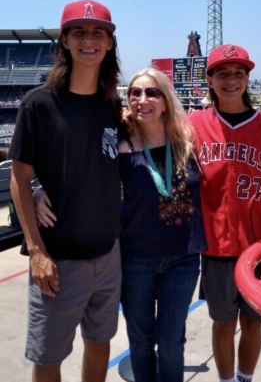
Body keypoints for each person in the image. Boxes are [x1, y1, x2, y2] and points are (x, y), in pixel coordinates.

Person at [34, 67, 207, 382]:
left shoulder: (189, 140)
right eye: (135, 93)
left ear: (166, 100)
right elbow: (77, 166)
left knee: (170, 343)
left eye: (152, 92)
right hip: (135, 259)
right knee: (140, 342)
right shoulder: (120, 145)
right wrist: (39, 189)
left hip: (182, 260)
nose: (143, 100)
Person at [8, 0, 122, 382]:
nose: (88, 40)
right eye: (79, 32)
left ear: (109, 44)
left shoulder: (113, 106)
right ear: (65, 42)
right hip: (57, 261)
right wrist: (37, 250)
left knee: (100, 343)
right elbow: (19, 177)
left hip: (108, 255)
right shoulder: (38, 104)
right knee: (49, 357)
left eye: (97, 33)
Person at [189, 44, 261, 382]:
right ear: (209, 79)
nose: (231, 80)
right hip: (216, 248)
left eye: (239, 73)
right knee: (223, 323)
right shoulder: (192, 124)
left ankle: (245, 379)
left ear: (248, 79)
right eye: (222, 73)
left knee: (254, 321)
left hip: (260, 247)